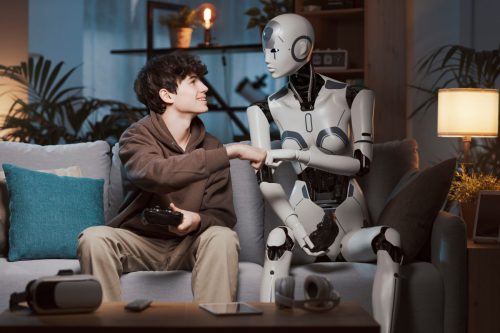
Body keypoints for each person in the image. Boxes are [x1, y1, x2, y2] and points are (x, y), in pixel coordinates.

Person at [246, 14, 402, 333]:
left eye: (274, 51)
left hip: (351, 228)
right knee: (277, 240)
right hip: (302, 224)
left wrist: (297, 153)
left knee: (390, 240)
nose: (266, 59)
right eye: (265, 50)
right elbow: (265, 179)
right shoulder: (261, 110)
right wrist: (292, 225)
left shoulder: (353, 96)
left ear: (302, 48)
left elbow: (362, 164)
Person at [77, 52, 266, 303]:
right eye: (193, 82)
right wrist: (230, 152)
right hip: (139, 243)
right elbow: (156, 174)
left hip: (189, 245)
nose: (204, 88)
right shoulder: (136, 137)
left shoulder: (212, 146)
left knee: (223, 237)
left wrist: (196, 219)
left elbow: (223, 215)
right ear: (167, 95)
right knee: (93, 238)